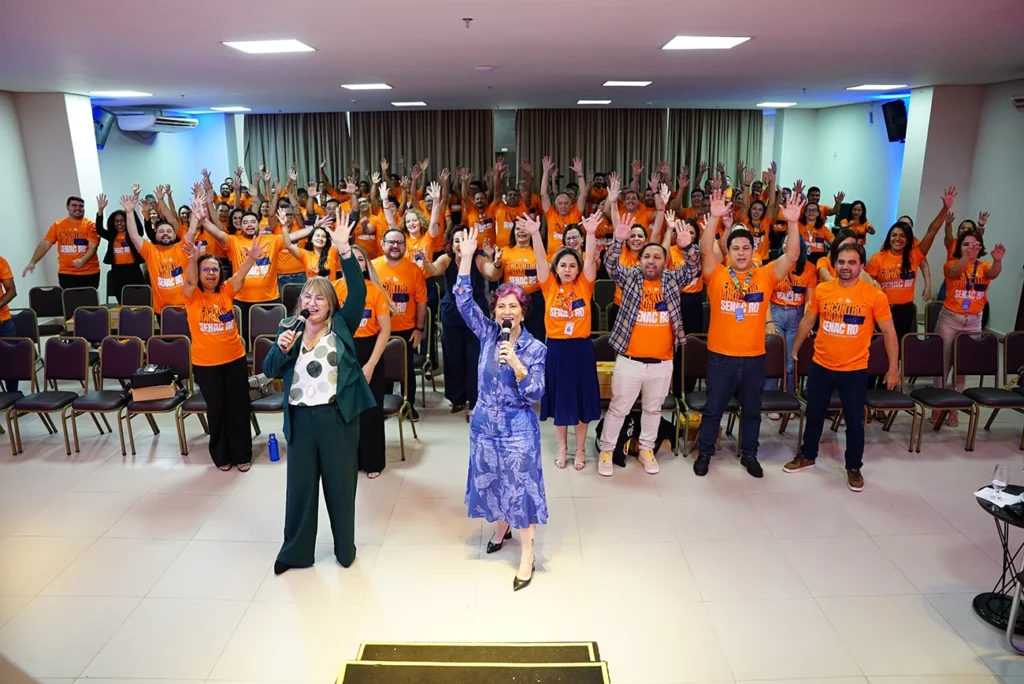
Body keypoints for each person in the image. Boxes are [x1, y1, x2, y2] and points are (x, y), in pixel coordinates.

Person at [263, 215, 375, 575]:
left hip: (336, 417)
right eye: (307, 296)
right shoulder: (288, 327)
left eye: (319, 298)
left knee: (341, 487)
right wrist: (281, 348)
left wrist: (344, 250)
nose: (311, 302)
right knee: (300, 489)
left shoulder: (342, 325)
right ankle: (296, 552)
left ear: (330, 305)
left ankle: (345, 549)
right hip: (300, 419)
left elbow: (358, 292)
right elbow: (269, 368)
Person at [454, 226, 547, 591]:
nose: (506, 311)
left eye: (513, 306)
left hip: (518, 429)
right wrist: (466, 258)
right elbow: (464, 302)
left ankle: (528, 554)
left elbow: (536, 392)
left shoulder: (535, 349)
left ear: (522, 313)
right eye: (501, 306)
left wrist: (519, 366)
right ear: (495, 312)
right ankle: (501, 527)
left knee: (521, 488)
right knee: (492, 480)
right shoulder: (488, 334)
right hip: (484, 425)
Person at [693, 189, 803, 478]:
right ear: (728, 252)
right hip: (721, 358)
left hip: (754, 358)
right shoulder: (717, 274)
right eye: (736, 248)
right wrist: (714, 218)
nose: (741, 253)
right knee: (713, 409)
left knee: (752, 411)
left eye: (746, 248)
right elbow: (705, 250)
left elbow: (792, 255)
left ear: (754, 250)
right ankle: (705, 453)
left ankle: (749, 455)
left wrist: (793, 223)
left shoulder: (764, 275)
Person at [783, 242, 900, 492]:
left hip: (854, 371)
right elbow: (808, 321)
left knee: (855, 422)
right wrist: (795, 349)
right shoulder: (823, 290)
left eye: (851, 262)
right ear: (834, 264)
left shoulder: (874, 296)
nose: (845, 267)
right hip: (821, 366)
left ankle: (853, 467)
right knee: (814, 414)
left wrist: (893, 368)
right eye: (841, 262)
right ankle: (808, 455)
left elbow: (890, 333)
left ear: (861, 266)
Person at [596, 203, 702, 478]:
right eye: (647, 256)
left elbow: (693, 268)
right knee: (618, 408)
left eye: (657, 256)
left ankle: (646, 449)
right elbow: (610, 265)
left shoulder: (672, 281)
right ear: (640, 260)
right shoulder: (630, 278)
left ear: (665, 262)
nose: (651, 261)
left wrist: (688, 247)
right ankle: (607, 449)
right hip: (629, 360)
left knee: (653, 410)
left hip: (662, 362)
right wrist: (618, 241)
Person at [523, 212, 602, 471]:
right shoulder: (548, 285)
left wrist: (591, 234)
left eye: (572, 266)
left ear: (578, 269)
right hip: (556, 350)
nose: (567, 270)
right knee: (560, 401)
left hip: (581, 350)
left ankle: (580, 449)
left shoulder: (585, 284)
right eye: (563, 265)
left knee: (581, 400)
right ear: (556, 268)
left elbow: (590, 259)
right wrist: (535, 234)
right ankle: (562, 447)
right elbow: (539, 259)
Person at [181, 236, 265, 472]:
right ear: (199, 273)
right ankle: (221, 456)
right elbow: (189, 280)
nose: (211, 273)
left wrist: (251, 258)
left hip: (234, 360)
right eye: (206, 269)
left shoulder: (226, 291)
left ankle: (242, 454)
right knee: (217, 410)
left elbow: (240, 275)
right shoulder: (192, 295)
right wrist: (193, 260)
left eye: (215, 269)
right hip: (206, 365)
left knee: (238, 408)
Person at [332, 244, 393, 479]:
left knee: (370, 411)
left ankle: (372, 461)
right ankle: (349, 460)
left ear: (366, 265)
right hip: (341, 351)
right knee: (344, 411)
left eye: (360, 259)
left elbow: (385, 331)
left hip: (369, 352)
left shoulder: (375, 290)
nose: (356, 264)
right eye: (351, 258)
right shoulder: (334, 289)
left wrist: (371, 364)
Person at [933, 230, 1006, 426]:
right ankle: (937, 406)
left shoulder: (984, 266)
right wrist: (966, 256)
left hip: (973, 321)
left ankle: (954, 409)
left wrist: (998, 260)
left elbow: (993, 273)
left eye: (974, 245)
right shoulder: (951, 263)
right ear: (959, 247)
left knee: (961, 366)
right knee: (942, 364)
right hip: (950, 319)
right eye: (966, 244)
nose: (970, 248)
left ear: (981, 248)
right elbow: (955, 272)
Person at [429, 226, 500, 418]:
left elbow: (492, 273)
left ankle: (476, 401)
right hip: (451, 313)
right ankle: (457, 398)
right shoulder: (446, 259)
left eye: (465, 239)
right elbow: (433, 269)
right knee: (453, 357)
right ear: (451, 245)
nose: (461, 244)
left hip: (475, 314)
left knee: (475, 357)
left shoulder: (479, 259)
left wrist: (496, 262)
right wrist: (425, 262)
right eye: (457, 240)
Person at [865, 208, 944, 360]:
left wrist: (944, 209)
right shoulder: (877, 258)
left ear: (908, 239)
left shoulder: (914, 256)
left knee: (898, 349)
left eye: (902, 236)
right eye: (894, 235)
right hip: (882, 310)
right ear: (889, 238)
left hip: (904, 311)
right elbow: (867, 286)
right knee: (879, 348)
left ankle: (893, 374)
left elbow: (932, 232)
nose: (898, 239)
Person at [200, 209, 286, 343]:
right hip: (241, 301)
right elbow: (217, 233)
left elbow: (294, 237)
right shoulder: (233, 241)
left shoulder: (272, 240)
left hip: (270, 299)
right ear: (240, 226)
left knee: (272, 340)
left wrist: (315, 226)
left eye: (253, 222)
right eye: (245, 222)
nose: (249, 225)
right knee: (242, 339)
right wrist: (203, 219)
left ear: (259, 224)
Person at [372, 227, 428, 421]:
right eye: (391, 242)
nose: (395, 246)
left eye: (399, 243)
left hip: (406, 330)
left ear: (405, 246)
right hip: (377, 330)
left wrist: (419, 329)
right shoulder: (372, 267)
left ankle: (408, 405)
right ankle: (383, 404)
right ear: (383, 245)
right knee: (380, 368)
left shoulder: (414, 270)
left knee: (406, 370)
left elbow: (421, 302)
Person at [122, 195, 196, 317]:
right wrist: (129, 213)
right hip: (162, 311)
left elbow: (192, 232)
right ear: (155, 236)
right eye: (161, 231)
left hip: (186, 308)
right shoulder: (150, 251)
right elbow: (134, 236)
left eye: (169, 231)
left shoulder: (182, 247)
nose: (165, 234)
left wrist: (196, 213)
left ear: (175, 235)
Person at [765, 235, 816, 399]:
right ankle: (769, 397)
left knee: (791, 359)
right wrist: (769, 322)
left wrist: (807, 322)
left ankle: (789, 397)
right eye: (785, 242)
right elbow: (765, 297)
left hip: (796, 316)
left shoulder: (809, 268)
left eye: (791, 242)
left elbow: (809, 300)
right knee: (774, 357)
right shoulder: (773, 266)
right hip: (776, 312)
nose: (787, 245)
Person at [23, 196, 101, 288]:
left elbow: (93, 247)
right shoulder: (58, 225)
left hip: (89, 273)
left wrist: (82, 260)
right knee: (68, 297)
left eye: (81, 206)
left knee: (89, 297)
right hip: (66, 273)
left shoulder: (91, 226)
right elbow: (45, 244)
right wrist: (33, 262)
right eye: (74, 205)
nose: (78, 208)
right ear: (67, 207)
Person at [494, 218, 545, 341]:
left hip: (534, 301)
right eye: (518, 229)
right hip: (511, 300)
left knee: (535, 336)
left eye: (525, 229)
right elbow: (496, 276)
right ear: (513, 232)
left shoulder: (538, 251)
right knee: (511, 335)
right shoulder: (505, 251)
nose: (521, 232)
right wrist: (497, 263)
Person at [94, 193, 146, 302]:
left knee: (138, 299)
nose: (119, 223)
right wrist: (100, 210)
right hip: (117, 271)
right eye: (117, 221)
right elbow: (99, 229)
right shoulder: (112, 235)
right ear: (113, 223)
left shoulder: (132, 235)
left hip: (133, 270)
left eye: (122, 220)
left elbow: (139, 230)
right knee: (122, 301)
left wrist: (131, 211)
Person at [540, 155, 587, 260]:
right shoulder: (551, 213)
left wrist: (579, 173)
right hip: (552, 258)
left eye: (566, 203)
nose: (563, 206)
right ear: (555, 205)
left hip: (573, 258)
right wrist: (546, 172)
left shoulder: (575, 212)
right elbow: (543, 194)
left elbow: (583, 195)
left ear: (571, 204)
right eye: (560, 203)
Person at [0, 254, 17, 392]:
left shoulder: (1, 261)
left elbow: (11, 291)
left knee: (10, 360)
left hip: (3, 320)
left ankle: (13, 394)